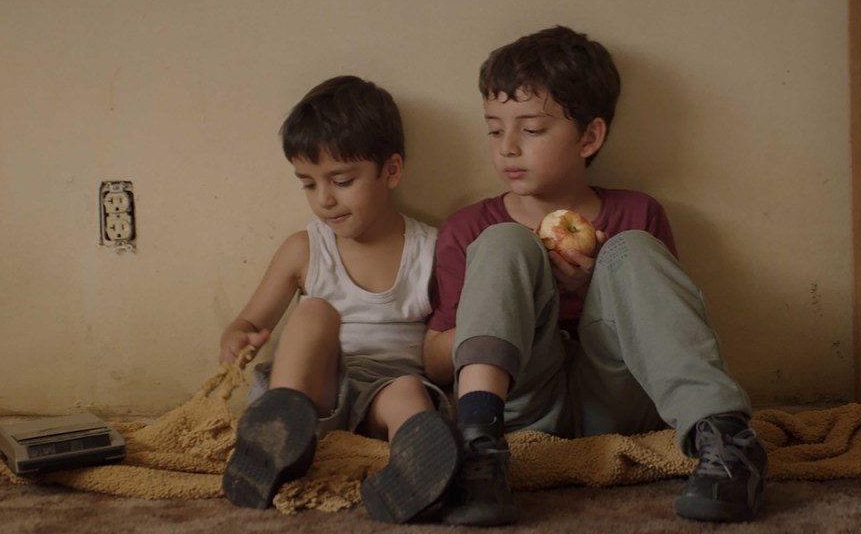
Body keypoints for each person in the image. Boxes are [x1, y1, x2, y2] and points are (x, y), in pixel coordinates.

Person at [423, 26, 768, 526]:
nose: (508, 147)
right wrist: (521, 302)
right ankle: (477, 450)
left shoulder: (638, 213)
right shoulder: (468, 228)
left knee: (631, 249)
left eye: (531, 130)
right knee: (504, 242)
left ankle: (728, 442)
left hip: (617, 403)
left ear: (589, 137)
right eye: (495, 130)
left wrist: (591, 290)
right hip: (520, 406)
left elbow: (666, 333)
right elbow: (434, 360)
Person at [219, 75, 461, 524]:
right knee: (314, 311)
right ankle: (281, 440)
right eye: (308, 184)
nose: (324, 200)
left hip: (386, 390)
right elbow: (248, 322)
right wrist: (237, 339)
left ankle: (417, 471)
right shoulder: (304, 248)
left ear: (391, 171)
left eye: (342, 181)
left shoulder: (431, 249)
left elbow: (448, 338)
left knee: (408, 392)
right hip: (315, 389)